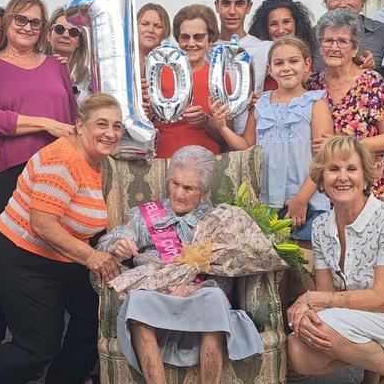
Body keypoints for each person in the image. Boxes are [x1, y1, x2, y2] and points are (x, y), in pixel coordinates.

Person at [0, 94, 124, 384]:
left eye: (117, 126)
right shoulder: (63, 160)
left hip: (59, 257)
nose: (110, 133)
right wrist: (92, 257)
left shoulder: (99, 161)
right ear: (80, 126)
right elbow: (42, 224)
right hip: (18, 256)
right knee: (36, 347)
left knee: (95, 310)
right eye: (102, 124)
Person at [96, 145, 264, 384]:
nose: (179, 194)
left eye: (189, 188)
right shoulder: (145, 216)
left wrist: (194, 288)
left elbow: (226, 275)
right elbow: (105, 243)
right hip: (155, 300)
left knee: (214, 297)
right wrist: (117, 245)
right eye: (175, 183)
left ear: (204, 192)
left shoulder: (217, 221)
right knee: (137, 300)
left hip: (197, 302)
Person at [287, 136, 384, 384]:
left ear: (365, 177)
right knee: (299, 350)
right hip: (371, 316)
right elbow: (327, 298)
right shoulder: (320, 227)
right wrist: (305, 311)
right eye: (333, 169)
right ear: (321, 179)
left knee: (324, 327)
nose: (342, 177)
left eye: (351, 169)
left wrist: (310, 300)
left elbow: (382, 299)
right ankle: (373, 376)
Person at [0, 0, 77, 354]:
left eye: (36, 22)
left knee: (51, 253)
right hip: (10, 172)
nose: (28, 28)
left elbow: (73, 118)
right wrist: (46, 124)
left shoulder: (56, 67)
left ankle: (38, 341)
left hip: (57, 173)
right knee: (1, 257)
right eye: (21, 20)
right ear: (7, 23)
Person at [212, 37, 333, 243]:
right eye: (279, 63)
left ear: (306, 65)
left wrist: (301, 199)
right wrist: (223, 128)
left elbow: (324, 159)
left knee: (308, 262)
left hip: (306, 202)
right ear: (270, 69)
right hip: (266, 202)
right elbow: (247, 146)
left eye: (293, 61)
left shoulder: (315, 103)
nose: (286, 68)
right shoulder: (261, 104)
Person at [306, 9, 384, 204]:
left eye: (342, 41)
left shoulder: (371, 82)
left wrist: (343, 144)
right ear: (320, 47)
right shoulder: (313, 84)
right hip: (327, 190)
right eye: (328, 41)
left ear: (355, 47)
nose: (334, 47)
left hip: (370, 185)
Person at [154, 4, 226, 159]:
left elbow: (226, 138)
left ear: (210, 38)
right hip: (163, 161)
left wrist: (206, 121)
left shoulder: (219, 76)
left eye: (198, 37)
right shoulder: (158, 72)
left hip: (204, 164)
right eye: (185, 37)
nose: (191, 43)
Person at [317, 0, 384, 75]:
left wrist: (371, 67)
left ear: (363, 0)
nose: (343, 4)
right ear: (326, 1)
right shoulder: (311, 36)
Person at [213, 0, 271, 101]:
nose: (232, 11)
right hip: (212, 121)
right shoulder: (204, 49)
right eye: (226, 3)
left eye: (239, 3)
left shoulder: (264, 48)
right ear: (217, 6)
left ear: (249, 7)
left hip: (253, 121)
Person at [247, 0, 317, 88]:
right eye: (273, 24)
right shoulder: (259, 56)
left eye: (286, 22)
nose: (281, 30)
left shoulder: (307, 52)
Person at [46, 6, 90, 103]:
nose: (65, 35)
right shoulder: (32, 66)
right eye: (59, 29)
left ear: (79, 42)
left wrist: (72, 88)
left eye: (73, 32)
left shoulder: (89, 77)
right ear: (48, 35)